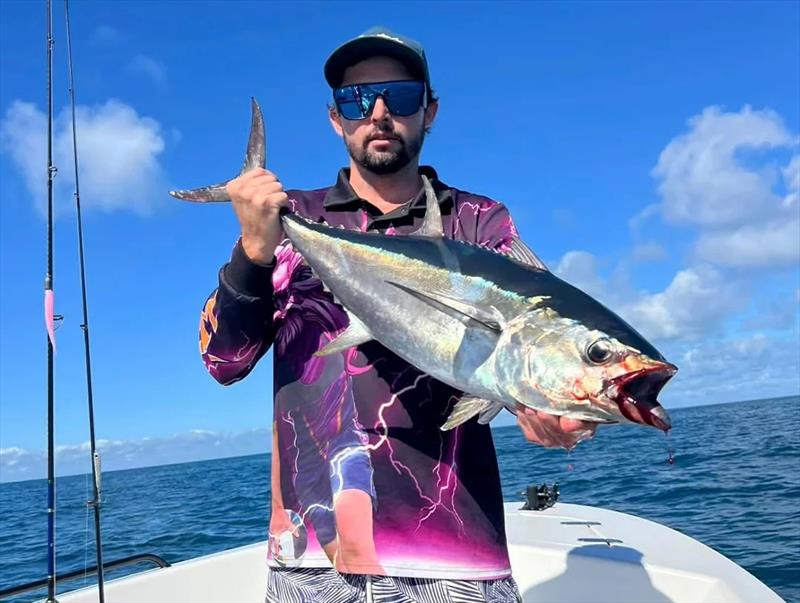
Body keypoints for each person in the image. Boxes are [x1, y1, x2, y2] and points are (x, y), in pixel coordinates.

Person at [200, 27, 596, 603]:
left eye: (401, 97)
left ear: (429, 112)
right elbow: (222, 361)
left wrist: (544, 405)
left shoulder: (478, 223)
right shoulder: (293, 222)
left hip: (458, 553)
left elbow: (527, 341)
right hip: (315, 556)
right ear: (336, 120)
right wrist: (253, 253)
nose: (380, 113)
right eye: (358, 100)